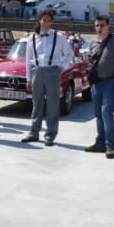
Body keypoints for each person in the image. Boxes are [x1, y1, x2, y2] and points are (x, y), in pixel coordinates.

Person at [22, 10, 73, 146]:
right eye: (43, 20)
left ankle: (50, 135)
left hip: (52, 72)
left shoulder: (59, 37)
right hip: (36, 72)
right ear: (39, 20)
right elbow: (28, 59)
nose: (46, 22)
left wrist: (61, 66)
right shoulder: (31, 38)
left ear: (51, 22)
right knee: (36, 104)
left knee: (53, 105)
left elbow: (69, 54)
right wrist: (28, 79)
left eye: (48, 20)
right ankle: (34, 133)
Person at [84, 15, 114, 159]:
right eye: (97, 25)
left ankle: (110, 146)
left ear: (108, 27)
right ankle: (100, 143)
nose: (99, 28)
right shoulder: (93, 43)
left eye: (102, 25)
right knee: (98, 114)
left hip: (111, 82)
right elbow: (91, 61)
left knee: (107, 113)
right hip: (97, 83)